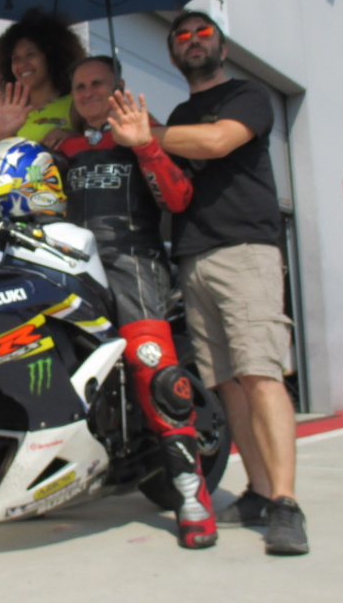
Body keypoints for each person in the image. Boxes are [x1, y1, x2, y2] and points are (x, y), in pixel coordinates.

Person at [142, 9, 308, 555]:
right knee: (228, 383)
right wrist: (146, 145)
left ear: (222, 47)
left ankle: (286, 503)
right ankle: (258, 492)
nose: (193, 41)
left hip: (246, 251)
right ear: (173, 54)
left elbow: (216, 142)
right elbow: (175, 187)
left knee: (260, 374)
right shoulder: (179, 116)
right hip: (193, 256)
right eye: (182, 37)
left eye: (203, 33)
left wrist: (152, 134)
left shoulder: (248, 96)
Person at [59, 56, 218, 550]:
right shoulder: (63, 147)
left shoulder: (145, 134)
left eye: (98, 84)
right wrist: (4, 135)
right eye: (79, 86)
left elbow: (179, 198)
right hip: (70, 260)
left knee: (154, 367)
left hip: (133, 259)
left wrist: (145, 143)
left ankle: (190, 493)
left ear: (119, 88)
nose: (88, 92)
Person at [0, 8, 86, 148]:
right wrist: (2, 135)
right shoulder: (13, 112)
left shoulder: (75, 103)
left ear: (49, 56)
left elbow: (96, 143)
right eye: (16, 58)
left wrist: (71, 136)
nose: (23, 64)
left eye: (30, 55)